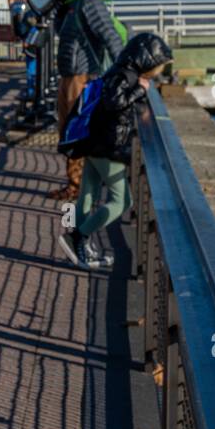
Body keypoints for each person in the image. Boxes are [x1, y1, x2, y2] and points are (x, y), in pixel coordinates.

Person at [58, 33, 172, 270]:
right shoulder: (125, 76)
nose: (157, 72)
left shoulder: (118, 71)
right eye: (157, 66)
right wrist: (141, 91)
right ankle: (78, 237)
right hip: (108, 147)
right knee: (122, 202)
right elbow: (114, 103)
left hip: (95, 141)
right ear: (147, 60)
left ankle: (80, 248)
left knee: (87, 195)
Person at [49, 0, 123, 201]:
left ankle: (78, 186)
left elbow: (110, 36)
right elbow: (59, 30)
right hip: (70, 75)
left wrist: (123, 72)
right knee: (68, 131)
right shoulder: (72, 3)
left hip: (81, 77)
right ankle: (76, 183)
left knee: (75, 132)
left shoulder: (89, 2)